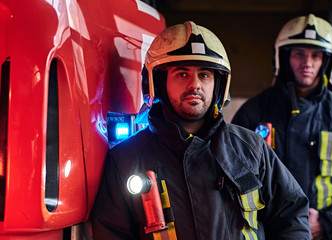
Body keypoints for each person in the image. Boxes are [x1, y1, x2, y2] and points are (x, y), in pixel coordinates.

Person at [91, 21, 311, 240]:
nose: (194, 85)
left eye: (204, 75)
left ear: (218, 85)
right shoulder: (126, 160)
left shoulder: (251, 149)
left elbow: (291, 215)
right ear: (158, 83)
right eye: (182, 74)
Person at [232, 14, 332, 240]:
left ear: (327, 61)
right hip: (268, 232)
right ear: (284, 56)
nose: (307, 63)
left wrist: (329, 222)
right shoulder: (253, 112)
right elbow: (232, 177)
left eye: (316, 55)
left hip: (328, 234)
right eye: (299, 53)